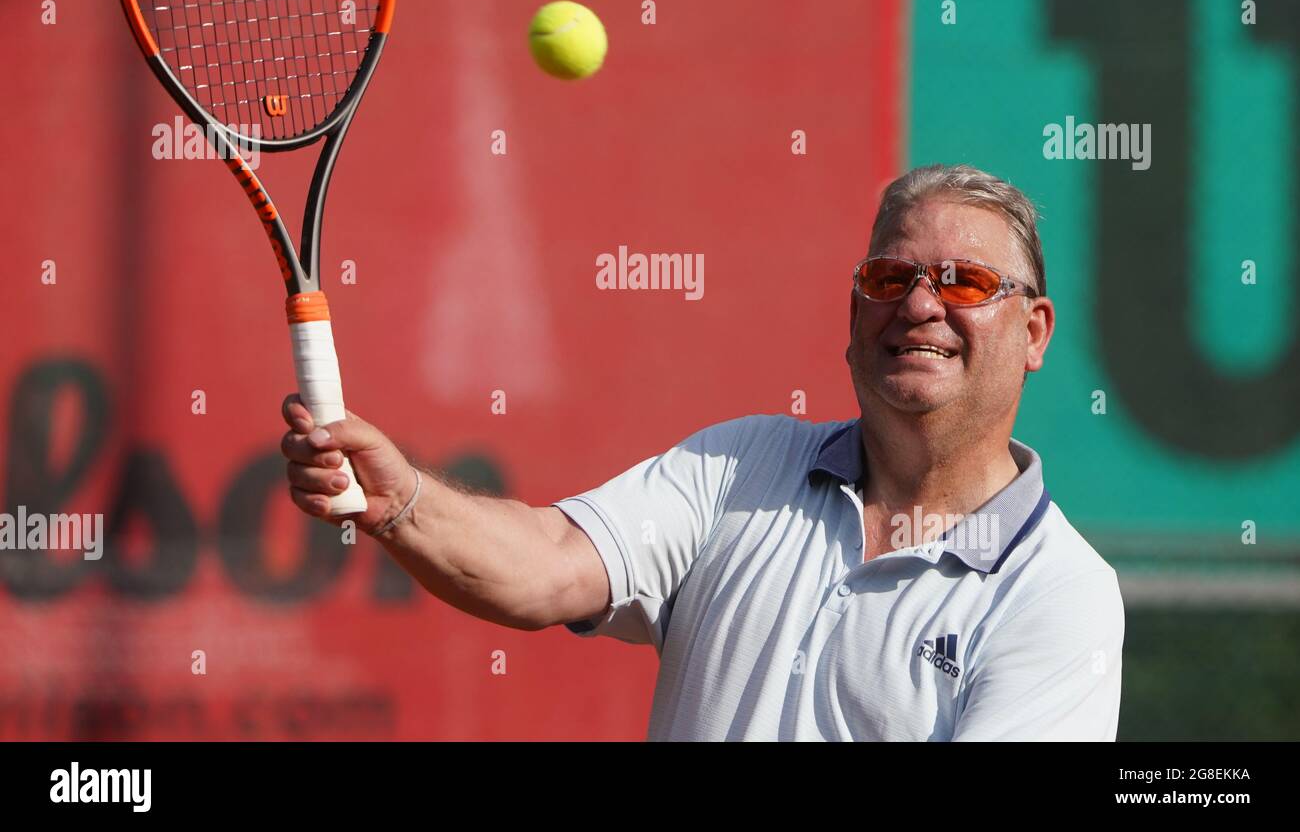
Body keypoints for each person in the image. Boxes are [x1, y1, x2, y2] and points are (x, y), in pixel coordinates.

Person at [280, 163, 1124, 741]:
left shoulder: (1060, 594)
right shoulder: (741, 464)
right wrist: (402, 505)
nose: (919, 305)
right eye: (888, 278)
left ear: (1034, 331)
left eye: (966, 283)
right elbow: (546, 567)